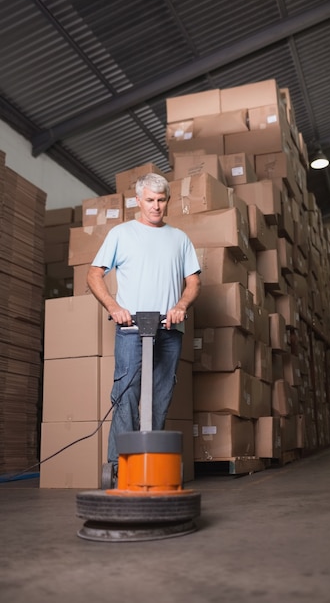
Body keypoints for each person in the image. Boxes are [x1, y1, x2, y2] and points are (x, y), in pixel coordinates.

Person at [87, 172, 201, 472]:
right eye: (150, 200)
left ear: (168, 200)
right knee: (126, 396)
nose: (156, 206)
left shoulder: (180, 239)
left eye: (161, 200)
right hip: (131, 328)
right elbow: (94, 274)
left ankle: (152, 467)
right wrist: (114, 306)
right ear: (138, 201)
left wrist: (180, 305)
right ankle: (121, 467)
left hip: (168, 329)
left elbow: (193, 282)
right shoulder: (121, 234)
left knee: (161, 398)